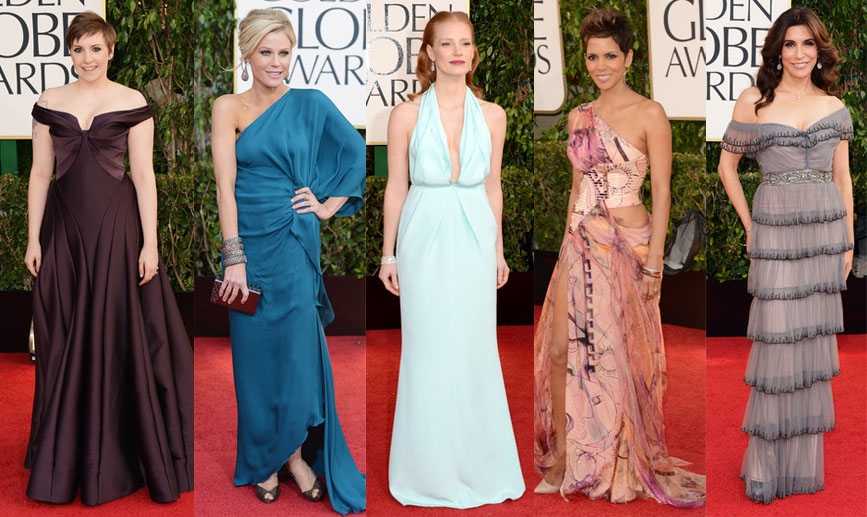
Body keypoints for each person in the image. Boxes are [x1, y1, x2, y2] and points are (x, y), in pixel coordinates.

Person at [532, 8, 705, 507]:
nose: (601, 66)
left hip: (629, 245)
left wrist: (655, 263)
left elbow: (663, 192)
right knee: (561, 351)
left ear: (629, 58)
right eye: (592, 57)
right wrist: (566, 246)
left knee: (618, 357)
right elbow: (576, 188)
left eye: (610, 56)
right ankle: (565, 457)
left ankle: (620, 459)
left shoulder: (651, 113)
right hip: (580, 241)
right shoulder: (578, 116)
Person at [23, 11, 193, 505]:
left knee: (114, 334)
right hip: (65, 231)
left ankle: (114, 450)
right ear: (69, 52)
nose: (87, 58)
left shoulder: (131, 101)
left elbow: (144, 176)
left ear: (111, 51)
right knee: (61, 333)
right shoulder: (49, 102)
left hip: (117, 231)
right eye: (79, 49)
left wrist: (150, 243)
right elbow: (39, 175)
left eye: (96, 48)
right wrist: (33, 239)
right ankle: (64, 449)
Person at [211, 8, 365, 513]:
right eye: (266, 52)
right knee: (254, 358)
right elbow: (225, 189)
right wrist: (234, 257)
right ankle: (264, 459)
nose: (276, 62)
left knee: (297, 356)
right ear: (247, 54)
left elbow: (354, 150)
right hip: (249, 249)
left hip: (295, 246)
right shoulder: (227, 107)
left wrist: (327, 205)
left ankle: (295, 459)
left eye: (284, 52)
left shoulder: (310, 103)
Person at [378, 10, 525, 509]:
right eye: (447, 43)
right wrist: (388, 254)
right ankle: (428, 473)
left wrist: (499, 249)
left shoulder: (494, 115)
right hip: (423, 232)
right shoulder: (405, 115)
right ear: (430, 52)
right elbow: (396, 188)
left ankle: (481, 468)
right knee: (427, 349)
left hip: (476, 232)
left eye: (465, 43)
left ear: (473, 52)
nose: (457, 51)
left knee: (476, 347)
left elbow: (493, 186)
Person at [717, 7, 853, 504]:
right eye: (790, 44)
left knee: (809, 346)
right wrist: (750, 226)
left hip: (823, 235)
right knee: (777, 344)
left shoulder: (834, 106)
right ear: (777, 50)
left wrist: (848, 240)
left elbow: (843, 178)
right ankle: (764, 466)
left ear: (820, 51)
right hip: (774, 234)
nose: (799, 54)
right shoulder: (754, 100)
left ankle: (798, 466)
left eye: (808, 44)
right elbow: (727, 168)